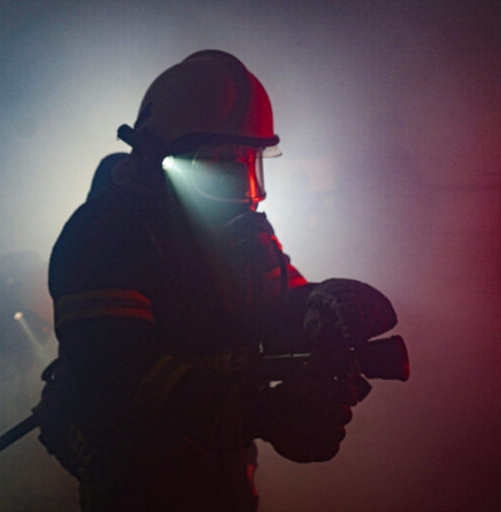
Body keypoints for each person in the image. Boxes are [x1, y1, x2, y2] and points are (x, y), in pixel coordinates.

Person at [38, 50, 397, 511]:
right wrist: (260, 415)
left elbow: (273, 299)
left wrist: (320, 306)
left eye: (250, 163)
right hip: (136, 475)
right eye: (222, 165)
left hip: (223, 466)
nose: (245, 190)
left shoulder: (233, 227)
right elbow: (120, 369)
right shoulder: (102, 235)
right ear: (155, 159)